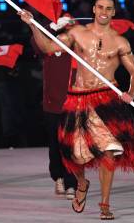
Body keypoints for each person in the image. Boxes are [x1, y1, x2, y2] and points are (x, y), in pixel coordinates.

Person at [19, 0, 134, 220]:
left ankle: (105, 204)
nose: (104, 11)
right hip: (78, 98)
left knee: (109, 151)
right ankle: (82, 183)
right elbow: (49, 48)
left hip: (106, 100)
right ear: (93, 9)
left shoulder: (120, 42)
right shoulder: (77, 33)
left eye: (109, 8)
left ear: (113, 12)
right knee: (74, 155)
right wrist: (32, 25)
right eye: (100, 7)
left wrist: (131, 93)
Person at [31, 14, 78, 200]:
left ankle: (71, 183)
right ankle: (58, 176)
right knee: (54, 144)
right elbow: (36, 44)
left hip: (72, 103)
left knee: (71, 146)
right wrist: (49, 27)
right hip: (51, 103)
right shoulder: (47, 46)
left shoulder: (77, 47)